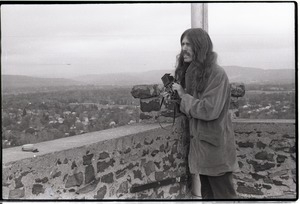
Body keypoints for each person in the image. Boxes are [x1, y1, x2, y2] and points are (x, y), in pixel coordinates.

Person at [172, 28, 239, 199]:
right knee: (208, 196)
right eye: (182, 44)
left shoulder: (216, 73)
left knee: (224, 197)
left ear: (200, 46)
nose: (184, 48)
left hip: (215, 151)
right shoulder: (195, 74)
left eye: (188, 44)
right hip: (203, 151)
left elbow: (209, 110)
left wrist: (183, 96)